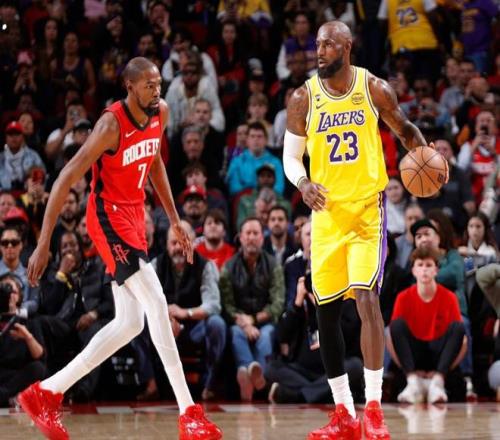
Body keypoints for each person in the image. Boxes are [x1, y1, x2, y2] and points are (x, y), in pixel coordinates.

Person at [18, 57, 221, 440]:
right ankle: (189, 413)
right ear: (129, 87)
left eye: (159, 84)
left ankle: (46, 392)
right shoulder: (110, 125)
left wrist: (174, 219)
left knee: (131, 323)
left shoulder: (160, 112)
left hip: (134, 216)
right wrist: (43, 242)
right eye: (148, 85)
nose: (156, 91)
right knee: (157, 302)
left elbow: (155, 162)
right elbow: (64, 179)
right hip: (106, 217)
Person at [282, 21, 448, 440]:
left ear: (347, 47)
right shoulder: (303, 98)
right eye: (317, 44)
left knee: (365, 297)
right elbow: (291, 157)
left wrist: (426, 154)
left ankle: (373, 408)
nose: (320, 50)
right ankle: (343, 413)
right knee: (325, 312)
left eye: (328, 44)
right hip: (326, 215)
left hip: (365, 213)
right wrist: (302, 183)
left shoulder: (373, 89)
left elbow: (404, 128)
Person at [387, 247, 467, 404]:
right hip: (414, 355)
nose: (424, 269)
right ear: (413, 270)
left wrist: (442, 371)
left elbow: (462, 342)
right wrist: (408, 371)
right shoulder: (403, 297)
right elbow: (391, 340)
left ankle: (438, 382)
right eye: (420, 265)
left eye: (429, 265)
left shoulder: (450, 297)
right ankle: (412, 383)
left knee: (459, 327)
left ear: (436, 270)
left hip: (439, 355)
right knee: (396, 325)